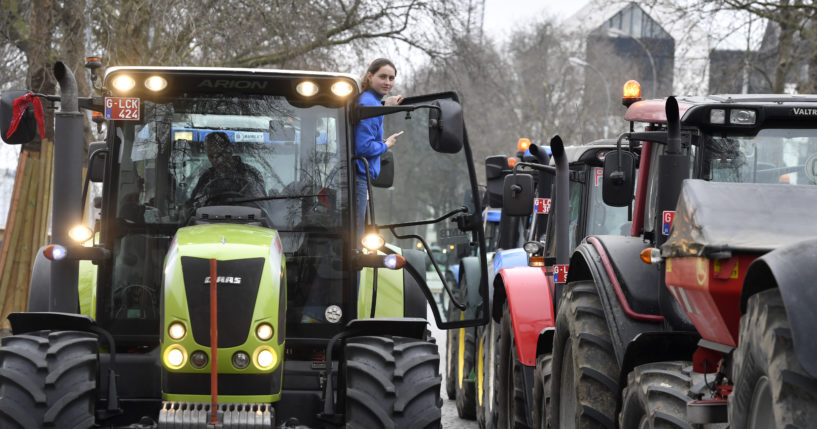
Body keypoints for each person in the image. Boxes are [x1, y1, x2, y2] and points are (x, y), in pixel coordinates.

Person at [354, 58, 404, 236]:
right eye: (383, 77)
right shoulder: (369, 104)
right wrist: (386, 145)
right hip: (358, 179)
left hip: (358, 179)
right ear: (369, 76)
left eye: (391, 78)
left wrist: (385, 105)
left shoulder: (369, 101)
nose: (388, 82)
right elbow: (362, 148)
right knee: (356, 239)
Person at [189, 131, 265, 206]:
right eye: (211, 156)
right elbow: (194, 205)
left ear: (229, 151)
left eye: (219, 154)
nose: (215, 160)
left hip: (247, 217)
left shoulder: (251, 174)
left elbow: (261, 203)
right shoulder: (206, 178)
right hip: (211, 217)